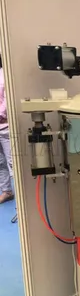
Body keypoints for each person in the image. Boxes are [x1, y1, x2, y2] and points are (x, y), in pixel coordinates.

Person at [0, 54, 14, 204]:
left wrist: (1, 114)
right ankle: (6, 191)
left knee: (13, 163)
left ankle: (23, 201)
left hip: (5, 126)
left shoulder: (5, 75)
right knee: (0, 163)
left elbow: (7, 99)